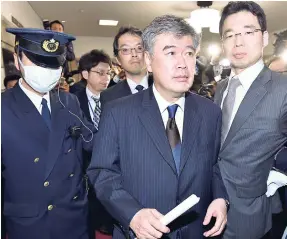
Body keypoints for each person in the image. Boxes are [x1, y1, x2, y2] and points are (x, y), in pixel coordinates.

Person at [88, 14, 228, 239]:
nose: (183, 63)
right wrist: (132, 215)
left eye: (189, 53)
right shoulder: (118, 112)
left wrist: (221, 198)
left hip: (196, 231)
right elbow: (102, 172)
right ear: (149, 60)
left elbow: (215, 166)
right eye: (171, 52)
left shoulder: (210, 112)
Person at [2, 28, 96, 239]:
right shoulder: (3, 108)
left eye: (53, 64)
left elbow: (95, 142)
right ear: (17, 61)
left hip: (75, 220)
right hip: (32, 225)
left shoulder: (69, 101)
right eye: (36, 61)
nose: (45, 69)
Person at [214, 2, 287, 238]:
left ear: (264, 37)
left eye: (248, 32)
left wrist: (277, 171)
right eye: (230, 35)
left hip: (249, 215)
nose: (238, 42)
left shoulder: (282, 89)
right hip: (209, 207)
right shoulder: (221, 87)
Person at [75, 49, 114, 237]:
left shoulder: (117, 99)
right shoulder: (72, 101)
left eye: (108, 72)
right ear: (85, 74)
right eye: (100, 72)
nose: (105, 77)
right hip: (82, 169)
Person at [100, 26, 153, 108]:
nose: (134, 54)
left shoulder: (165, 87)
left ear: (148, 54)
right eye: (125, 50)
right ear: (118, 60)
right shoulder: (108, 97)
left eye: (139, 48)